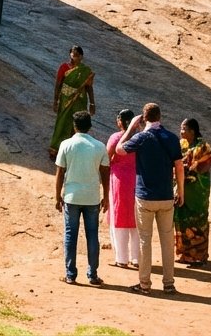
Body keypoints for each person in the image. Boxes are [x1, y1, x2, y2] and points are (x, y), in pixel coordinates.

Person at [120, 103, 185, 295]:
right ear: (160, 117)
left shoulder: (140, 138)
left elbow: (119, 150)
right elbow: (179, 167)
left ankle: (145, 284)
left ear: (144, 118)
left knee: (145, 241)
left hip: (145, 197)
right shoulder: (172, 138)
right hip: (166, 196)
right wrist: (181, 191)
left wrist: (131, 128)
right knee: (167, 241)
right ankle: (169, 283)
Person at [54, 110, 110, 285]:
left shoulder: (66, 144)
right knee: (92, 235)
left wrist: (57, 196)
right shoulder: (99, 146)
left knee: (71, 235)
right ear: (90, 126)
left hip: (71, 196)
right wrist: (106, 197)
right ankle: (92, 274)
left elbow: (60, 173)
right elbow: (105, 174)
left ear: (74, 125)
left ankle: (70, 274)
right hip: (92, 197)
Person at [174, 118, 211, 266]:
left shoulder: (203, 147)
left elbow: (204, 165)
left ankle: (198, 256)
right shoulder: (181, 144)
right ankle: (185, 254)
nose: (181, 131)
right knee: (182, 221)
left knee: (197, 222)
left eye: (184, 129)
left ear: (192, 131)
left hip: (197, 193)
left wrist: (186, 169)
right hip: (182, 189)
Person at [106, 109, 139, 269]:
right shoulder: (140, 138)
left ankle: (121, 258)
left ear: (121, 121)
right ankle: (137, 258)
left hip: (119, 180)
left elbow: (106, 157)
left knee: (119, 217)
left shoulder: (116, 138)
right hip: (138, 180)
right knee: (136, 219)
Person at [49, 46, 96, 159]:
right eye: (72, 54)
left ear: (81, 56)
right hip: (65, 100)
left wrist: (92, 103)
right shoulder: (64, 67)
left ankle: (73, 150)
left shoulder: (86, 70)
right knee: (62, 122)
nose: (74, 57)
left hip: (80, 100)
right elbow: (58, 84)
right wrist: (55, 101)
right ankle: (56, 149)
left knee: (77, 123)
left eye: (77, 55)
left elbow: (89, 87)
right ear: (69, 54)